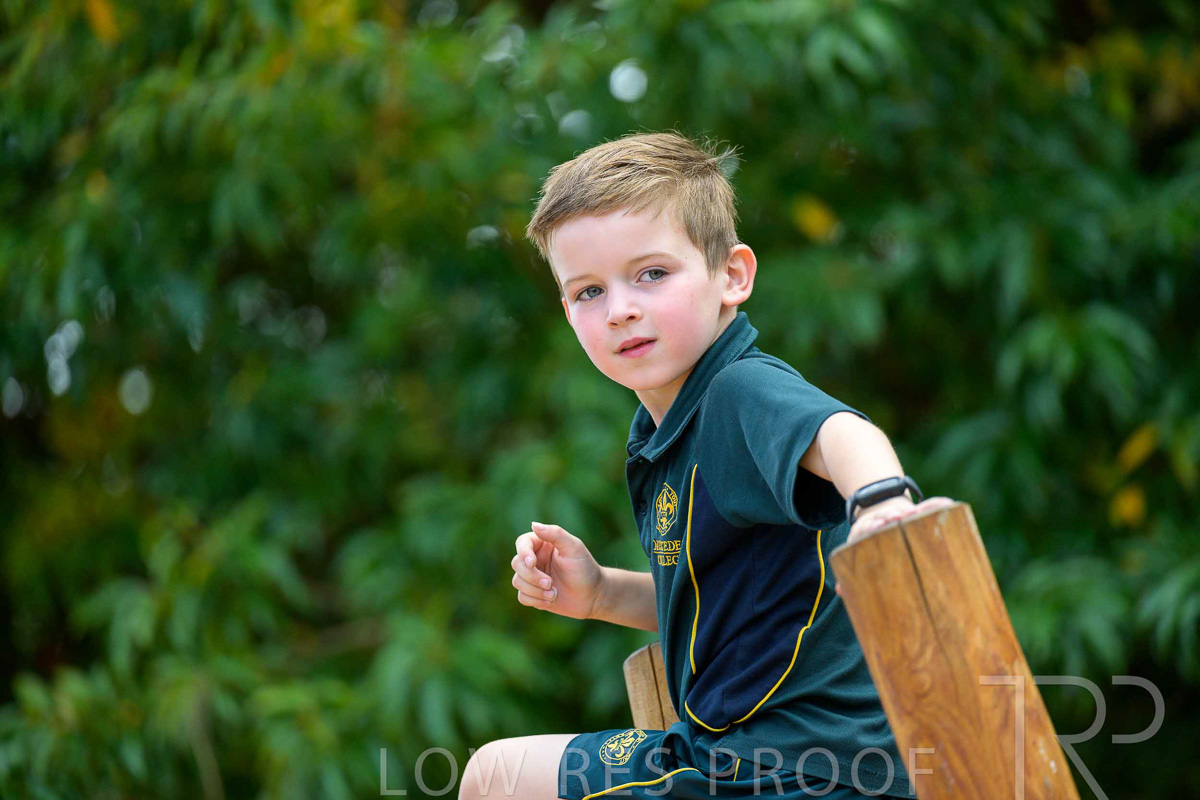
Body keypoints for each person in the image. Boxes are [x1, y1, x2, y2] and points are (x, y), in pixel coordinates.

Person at [459, 132, 954, 800]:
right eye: (589, 291)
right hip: (752, 759)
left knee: (496, 776)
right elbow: (728, 608)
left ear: (732, 276)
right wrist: (601, 592)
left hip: (791, 768)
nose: (621, 309)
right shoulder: (665, 433)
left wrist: (883, 504)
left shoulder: (738, 392)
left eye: (651, 274)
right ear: (568, 312)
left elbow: (841, 432)